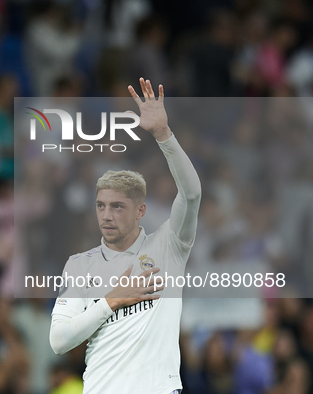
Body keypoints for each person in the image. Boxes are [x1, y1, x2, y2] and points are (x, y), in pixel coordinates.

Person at [49, 78, 201, 394]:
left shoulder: (169, 245)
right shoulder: (79, 266)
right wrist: (112, 300)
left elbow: (192, 194)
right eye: (101, 206)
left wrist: (163, 135)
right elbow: (59, 340)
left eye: (118, 206)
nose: (107, 215)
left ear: (139, 211)